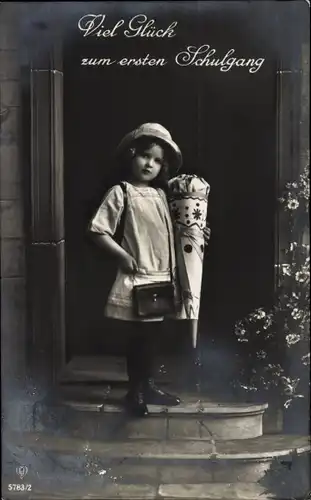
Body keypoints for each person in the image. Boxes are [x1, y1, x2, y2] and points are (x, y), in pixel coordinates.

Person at [88, 123, 211, 417]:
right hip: (137, 276)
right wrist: (121, 255)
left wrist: (197, 233)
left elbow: (174, 231)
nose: (150, 164)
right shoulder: (122, 193)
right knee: (139, 339)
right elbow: (98, 230)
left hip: (162, 277)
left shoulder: (160, 196)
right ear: (131, 156)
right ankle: (136, 391)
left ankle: (148, 385)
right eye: (145, 156)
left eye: (157, 160)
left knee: (154, 337)